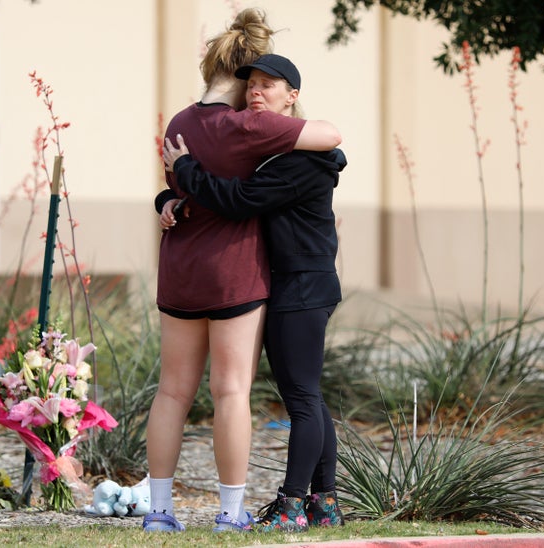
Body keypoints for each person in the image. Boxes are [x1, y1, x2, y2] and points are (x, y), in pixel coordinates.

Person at [143, 9, 342, 534]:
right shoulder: (252, 126)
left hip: (179, 270)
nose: (256, 93)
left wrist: (170, 195)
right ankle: (231, 514)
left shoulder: (179, 124)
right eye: (254, 82)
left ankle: (159, 512)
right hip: (234, 273)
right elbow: (329, 135)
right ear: (243, 76)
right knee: (231, 392)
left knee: (171, 392)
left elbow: (179, 189)